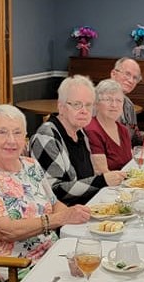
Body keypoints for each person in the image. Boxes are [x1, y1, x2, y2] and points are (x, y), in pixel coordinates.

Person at [0, 104, 91, 282]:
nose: (11, 141)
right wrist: (59, 220)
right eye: (2, 133)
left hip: (48, 254)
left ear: (25, 138)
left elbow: (55, 205)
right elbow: (5, 230)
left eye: (17, 133)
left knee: (96, 267)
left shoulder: (29, 165)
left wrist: (76, 218)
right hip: (5, 269)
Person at [30, 75, 126, 205]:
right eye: (77, 105)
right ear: (61, 107)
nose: (84, 111)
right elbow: (53, 191)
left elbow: (85, 178)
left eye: (88, 105)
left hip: (87, 206)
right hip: (64, 216)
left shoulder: (80, 132)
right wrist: (102, 181)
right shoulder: (47, 137)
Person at [109, 57, 144, 145]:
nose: (131, 80)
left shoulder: (129, 105)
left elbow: (134, 138)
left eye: (135, 78)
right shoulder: (98, 101)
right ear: (113, 74)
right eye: (127, 74)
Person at [85, 79, 133, 172]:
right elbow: (102, 173)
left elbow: (130, 163)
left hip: (127, 181)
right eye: (108, 100)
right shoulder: (92, 130)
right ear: (96, 104)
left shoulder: (123, 130)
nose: (114, 105)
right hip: (108, 185)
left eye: (119, 100)